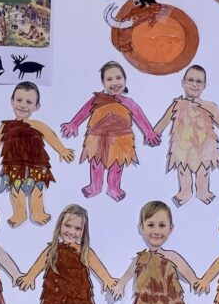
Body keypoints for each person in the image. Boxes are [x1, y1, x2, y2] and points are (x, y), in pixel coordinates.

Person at [17, 204, 116, 304]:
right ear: (60, 226)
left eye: (77, 228)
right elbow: (40, 263)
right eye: (67, 226)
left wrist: (107, 279)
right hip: (55, 289)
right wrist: (30, 277)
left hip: (77, 291)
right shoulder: (53, 249)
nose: (71, 231)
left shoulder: (84, 251)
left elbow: (97, 265)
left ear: (84, 231)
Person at [0, 82, 74, 227]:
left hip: (37, 164)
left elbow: (50, 136)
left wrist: (62, 150)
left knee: (37, 189)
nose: (23, 105)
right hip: (13, 164)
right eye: (19, 100)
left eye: (29, 102)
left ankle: (38, 212)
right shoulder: (6, 126)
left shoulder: (37, 125)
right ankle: (20, 213)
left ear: (37, 106)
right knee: (16, 191)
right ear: (12, 101)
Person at [60, 60, 160, 201]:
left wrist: (149, 132)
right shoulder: (97, 99)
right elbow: (83, 112)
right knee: (96, 163)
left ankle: (113, 188)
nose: (115, 82)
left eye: (118, 78)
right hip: (96, 136)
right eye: (109, 79)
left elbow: (140, 118)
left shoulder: (129, 103)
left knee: (117, 165)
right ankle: (95, 186)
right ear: (103, 83)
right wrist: (73, 124)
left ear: (125, 80)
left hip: (121, 139)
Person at [112, 200, 198, 304]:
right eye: (151, 225)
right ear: (141, 228)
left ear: (171, 228)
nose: (156, 230)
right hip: (146, 298)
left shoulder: (171, 255)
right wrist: (120, 285)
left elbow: (184, 268)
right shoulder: (140, 258)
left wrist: (194, 280)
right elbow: (128, 273)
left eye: (162, 225)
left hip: (168, 297)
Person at [153, 65, 219, 206]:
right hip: (183, 144)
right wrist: (154, 133)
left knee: (203, 170)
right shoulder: (177, 104)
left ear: (204, 86)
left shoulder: (209, 105)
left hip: (204, 145)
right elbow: (164, 120)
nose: (194, 84)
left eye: (199, 81)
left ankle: (202, 191)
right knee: (183, 169)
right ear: (183, 82)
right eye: (190, 80)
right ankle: (185, 192)